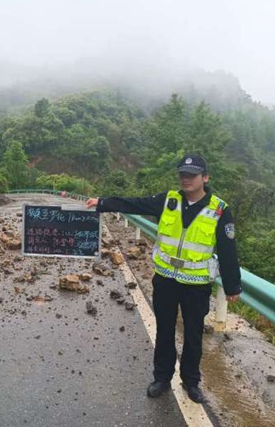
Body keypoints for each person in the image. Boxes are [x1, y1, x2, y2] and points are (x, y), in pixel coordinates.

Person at [86, 154, 241, 404]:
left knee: (193, 334)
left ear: (205, 177)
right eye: (183, 174)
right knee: (165, 331)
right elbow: (135, 204)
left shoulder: (219, 209)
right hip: (166, 280)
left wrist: (233, 285)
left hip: (197, 285)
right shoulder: (168, 200)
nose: (186, 179)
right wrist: (102, 203)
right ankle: (162, 377)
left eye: (192, 175)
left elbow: (227, 249)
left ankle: (191, 381)